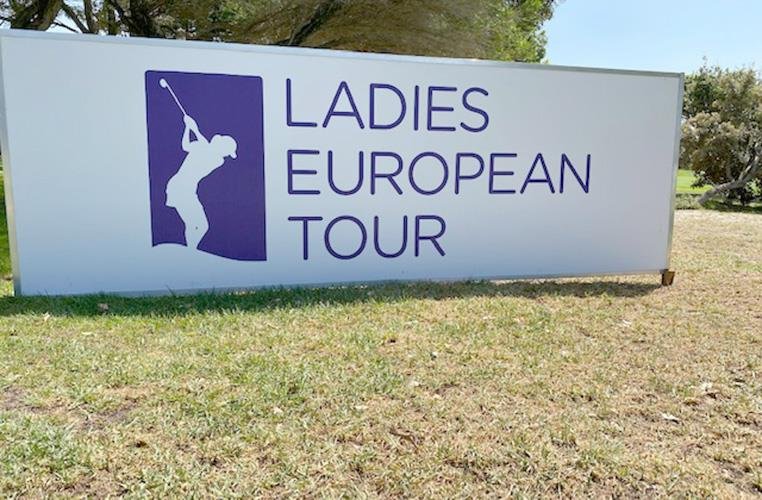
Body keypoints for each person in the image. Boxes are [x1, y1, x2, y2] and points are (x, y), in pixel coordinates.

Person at [165, 115, 238, 249]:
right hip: (181, 188)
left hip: (184, 188)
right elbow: (186, 146)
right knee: (199, 225)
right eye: (226, 152)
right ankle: (190, 250)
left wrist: (193, 128)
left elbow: (200, 146)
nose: (226, 155)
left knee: (199, 225)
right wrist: (189, 128)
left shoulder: (217, 160)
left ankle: (190, 249)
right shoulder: (205, 149)